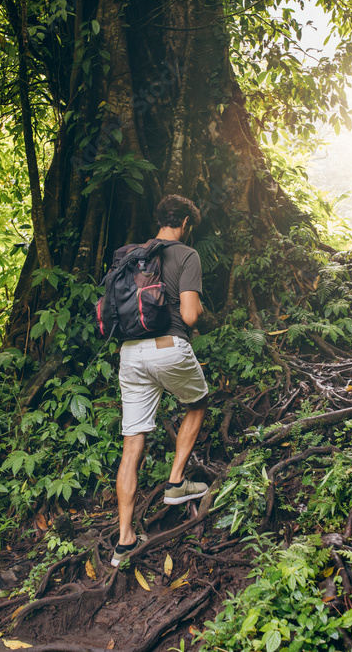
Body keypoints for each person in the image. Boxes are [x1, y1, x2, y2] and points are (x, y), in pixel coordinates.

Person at [111, 194, 210, 567]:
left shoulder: (133, 254)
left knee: (132, 443)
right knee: (197, 403)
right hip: (167, 345)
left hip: (130, 353)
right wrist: (198, 307)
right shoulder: (186, 255)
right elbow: (188, 316)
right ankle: (176, 482)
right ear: (185, 221)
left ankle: (124, 541)